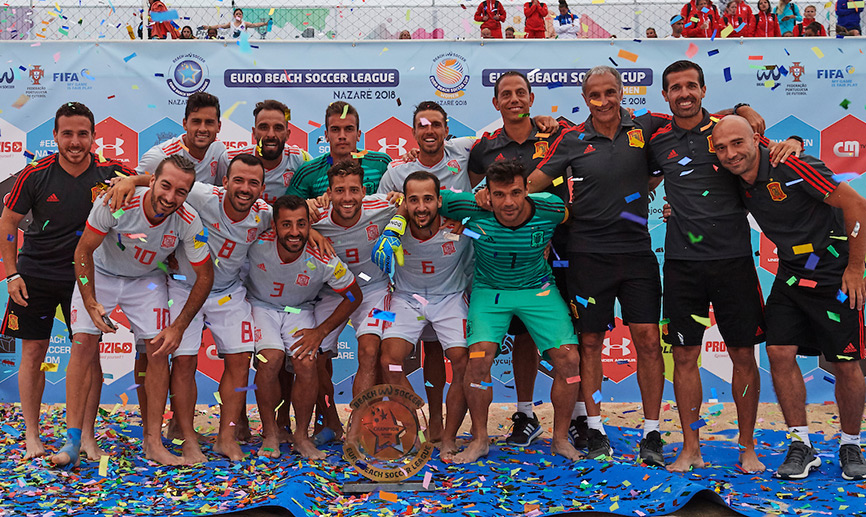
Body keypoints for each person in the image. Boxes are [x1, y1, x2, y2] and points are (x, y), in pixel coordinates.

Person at [650, 61, 791, 474]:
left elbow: (766, 148)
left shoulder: (728, 130)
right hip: (681, 264)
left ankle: (747, 447)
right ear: (665, 96)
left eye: (691, 85)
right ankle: (690, 447)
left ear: (704, 89)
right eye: (675, 88)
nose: (684, 93)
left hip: (733, 263)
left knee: (743, 355)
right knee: (685, 355)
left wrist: (750, 110)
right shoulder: (655, 136)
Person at [529, 66, 670, 465]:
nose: (604, 101)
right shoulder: (571, 138)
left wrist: (744, 111)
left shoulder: (647, 126)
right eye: (595, 94)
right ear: (585, 96)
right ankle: (595, 429)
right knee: (590, 343)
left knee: (646, 339)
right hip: (588, 256)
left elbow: (699, 121)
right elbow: (533, 184)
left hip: (638, 254)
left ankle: (652, 432)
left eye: (611, 92)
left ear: (622, 92)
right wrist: (492, 197)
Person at [713, 115, 866, 481]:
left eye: (738, 143)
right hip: (791, 273)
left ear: (756, 138)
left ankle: (850, 443)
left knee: (845, 363)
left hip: (833, 272)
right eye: (721, 147)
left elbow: (856, 206)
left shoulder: (791, 163)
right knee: (779, 352)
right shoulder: (732, 177)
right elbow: (702, 115)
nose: (731, 153)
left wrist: (855, 269)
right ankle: (802, 444)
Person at [53, 155, 213, 468]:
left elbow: (206, 276)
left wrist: (179, 326)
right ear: (151, 180)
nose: (170, 197)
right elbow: (83, 250)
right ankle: (73, 441)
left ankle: (153, 442)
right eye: (165, 186)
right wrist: (89, 300)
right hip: (101, 274)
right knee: (83, 345)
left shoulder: (190, 220)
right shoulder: (117, 200)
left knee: (157, 351)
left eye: (180, 192)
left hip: (147, 281)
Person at [0, 102, 134, 462]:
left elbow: (156, 182)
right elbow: (8, 222)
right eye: (67, 134)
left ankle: (86, 436)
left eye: (83, 134)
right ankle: (32, 435)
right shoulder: (35, 173)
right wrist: (12, 274)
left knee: (90, 359)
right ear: (55, 136)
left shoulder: (111, 172)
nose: (75, 142)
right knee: (33, 354)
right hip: (37, 276)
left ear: (93, 136)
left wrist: (134, 180)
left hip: (88, 280)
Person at [437, 160, 582, 464]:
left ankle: (559, 439)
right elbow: (422, 196)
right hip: (490, 291)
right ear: (487, 194)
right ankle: (479, 440)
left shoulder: (550, 208)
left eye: (516, 193)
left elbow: (574, 217)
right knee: (478, 361)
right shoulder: (469, 206)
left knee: (569, 359)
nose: (509, 202)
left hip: (538, 290)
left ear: (528, 189)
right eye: (499, 195)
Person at [466, 71, 573, 450]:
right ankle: (526, 414)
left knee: (573, 341)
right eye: (505, 94)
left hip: (563, 243)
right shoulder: (484, 146)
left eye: (520, 93)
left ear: (531, 98)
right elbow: (473, 182)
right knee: (521, 336)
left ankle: (576, 421)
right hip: (513, 256)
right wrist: (481, 195)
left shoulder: (557, 132)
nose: (513, 99)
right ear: (496, 103)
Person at [248, 195, 362, 460]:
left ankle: (301, 436)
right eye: (286, 225)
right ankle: (270, 433)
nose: (295, 232)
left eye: (301, 224)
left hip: (299, 310)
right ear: (274, 226)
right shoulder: (255, 244)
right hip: (261, 306)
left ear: (310, 225)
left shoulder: (323, 257)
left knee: (307, 362)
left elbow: (355, 295)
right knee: (271, 359)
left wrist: (320, 332)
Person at [378, 171, 472, 459]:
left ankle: (448, 436)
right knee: (389, 359)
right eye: (414, 200)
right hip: (406, 299)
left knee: (463, 362)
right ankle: (415, 425)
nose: (421, 207)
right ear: (404, 202)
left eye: (428, 199)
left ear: (440, 201)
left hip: (449, 299)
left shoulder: (459, 229)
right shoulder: (391, 226)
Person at [311, 162, 399, 399]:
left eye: (353, 190)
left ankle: (364, 427)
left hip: (374, 289)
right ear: (328, 194)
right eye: (339, 190)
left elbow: (422, 203)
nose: (347, 197)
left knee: (371, 350)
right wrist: (310, 230)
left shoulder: (384, 205)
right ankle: (329, 424)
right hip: (332, 293)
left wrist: (403, 197)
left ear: (363, 191)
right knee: (313, 355)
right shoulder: (314, 216)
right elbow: (279, 217)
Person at [286, 102, 391, 200]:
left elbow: (403, 201)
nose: (342, 136)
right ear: (326, 136)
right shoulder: (308, 172)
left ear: (358, 135)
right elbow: (288, 210)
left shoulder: (381, 163)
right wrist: (307, 205)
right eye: (335, 129)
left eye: (348, 129)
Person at [227, 100, 311, 204]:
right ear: (254, 132)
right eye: (263, 127)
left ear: (287, 134)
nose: (271, 134)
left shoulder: (301, 160)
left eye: (278, 128)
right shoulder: (230, 159)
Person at [137, 92, 228, 185]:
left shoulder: (219, 150)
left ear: (219, 126)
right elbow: (132, 183)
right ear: (185, 124)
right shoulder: (161, 157)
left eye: (209, 122)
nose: (202, 129)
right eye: (196, 121)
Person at [202, 8, 269, 39]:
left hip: (242, 45)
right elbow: (219, 26)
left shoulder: (245, 23)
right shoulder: (230, 24)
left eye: (240, 14)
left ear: (242, 15)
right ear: (234, 16)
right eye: (237, 14)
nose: (238, 15)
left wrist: (265, 23)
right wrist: (208, 27)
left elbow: (255, 25)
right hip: (233, 45)